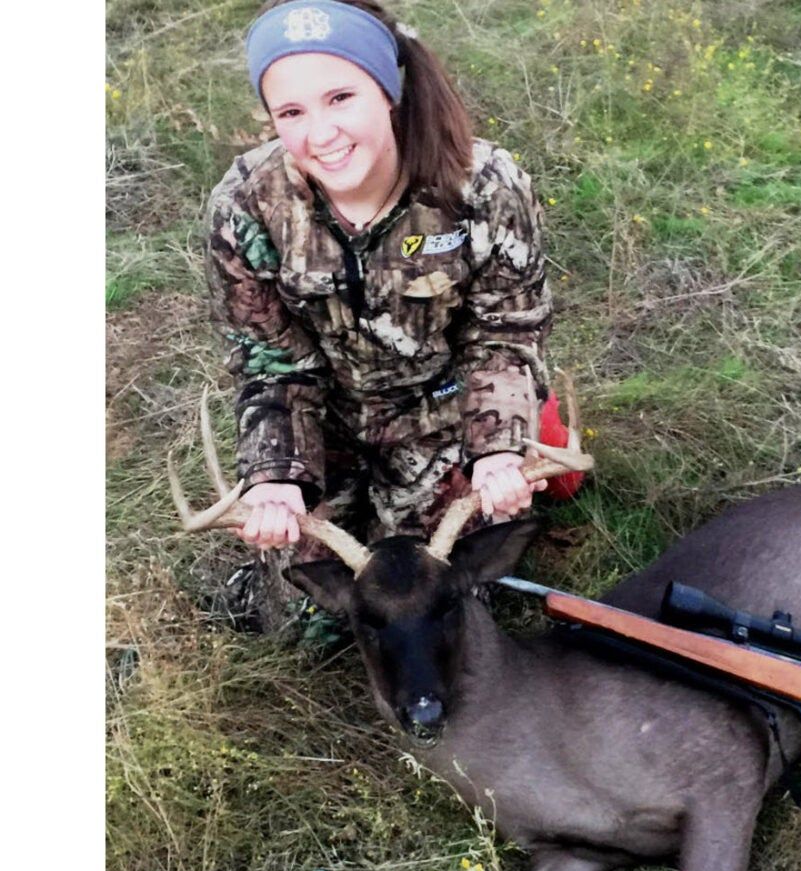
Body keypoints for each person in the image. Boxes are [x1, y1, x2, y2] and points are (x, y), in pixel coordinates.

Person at [205, 0, 557, 567]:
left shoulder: (485, 187)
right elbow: (270, 360)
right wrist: (275, 475)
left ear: (388, 91)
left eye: (340, 97)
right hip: (324, 423)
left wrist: (495, 447)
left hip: (442, 413)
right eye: (291, 112)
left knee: (436, 588)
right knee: (313, 614)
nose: (322, 134)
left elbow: (506, 334)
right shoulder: (246, 203)